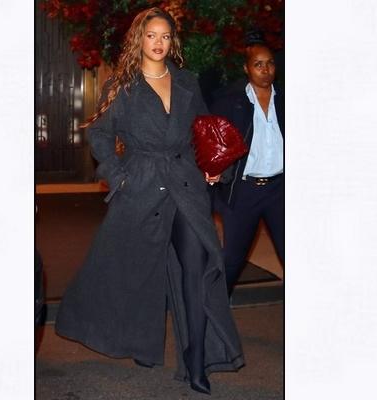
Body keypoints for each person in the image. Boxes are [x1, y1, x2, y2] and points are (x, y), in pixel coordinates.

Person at [54, 7, 244, 395]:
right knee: (136, 271)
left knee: (197, 268)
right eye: (151, 35)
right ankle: (140, 342)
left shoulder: (187, 81)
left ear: (173, 42)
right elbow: (100, 134)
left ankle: (196, 361)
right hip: (141, 185)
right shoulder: (122, 85)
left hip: (185, 184)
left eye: (165, 36)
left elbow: (203, 130)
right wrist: (118, 175)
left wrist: (212, 168)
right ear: (139, 39)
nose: (159, 43)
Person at [209, 33, 284, 296]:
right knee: (232, 261)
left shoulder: (286, 100)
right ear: (246, 68)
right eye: (258, 64)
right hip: (244, 191)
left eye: (270, 63)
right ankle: (215, 310)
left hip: (279, 191)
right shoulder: (230, 102)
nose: (265, 69)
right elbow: (213, 144)